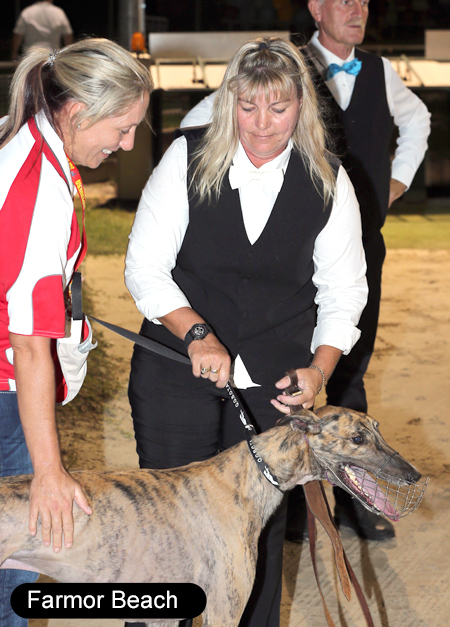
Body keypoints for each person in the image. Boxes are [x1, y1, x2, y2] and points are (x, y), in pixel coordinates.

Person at [125, 36, 367, 627]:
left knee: (256, 534)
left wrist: (319, 371)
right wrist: (196, 334)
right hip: (174, 373)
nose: (262, 124)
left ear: (301, 106)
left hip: (274, 388)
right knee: (165, 529)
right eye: (248, 106)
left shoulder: (330, 181)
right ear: (228, 100)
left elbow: (344, 294)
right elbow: (144, 266)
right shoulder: (185, 157)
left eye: (278, 108)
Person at [179, 0, 431, 542]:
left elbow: (419, 121)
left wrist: (396, 183)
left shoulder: (381, 71)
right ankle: (292, 507)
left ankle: (357, 500)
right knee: (285, 375)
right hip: (284, 259)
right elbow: (197, 123)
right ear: (316, 8)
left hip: (355, 245)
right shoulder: (282, 68)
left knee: (347, 368)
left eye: (363, 1)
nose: (357, 9)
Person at [0, 38, 153, 626]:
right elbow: (28, 346)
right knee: (15, 570)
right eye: (122, 127)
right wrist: (49, 473)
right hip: (7, 392)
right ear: (79, 112)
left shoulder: (29, 143)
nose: (128, 144)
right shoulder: (39, 183)